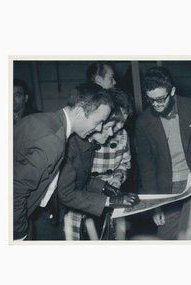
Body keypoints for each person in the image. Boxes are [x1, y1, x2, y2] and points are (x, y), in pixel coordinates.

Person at [13, 85, 114, 240]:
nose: (99, 128)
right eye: (98, 122)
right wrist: (20, 234)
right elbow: (15, 191)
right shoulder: (53, 142)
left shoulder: (40, 120)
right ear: (80, 112)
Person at [135, 66, 191, 240]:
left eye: (160, 99)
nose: (156, 105)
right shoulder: (143, 122)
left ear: (173, 91)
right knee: (167, 237)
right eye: (151, 100)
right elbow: (147, 169)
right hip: (169, 187)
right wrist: (154, 205)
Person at [58, 89, 139, 240]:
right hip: (82, 201)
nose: (113, 133)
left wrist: (117, 178)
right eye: (111, 127)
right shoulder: (80, 139)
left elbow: (125, 163)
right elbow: (72, 189)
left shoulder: (121, 135)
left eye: (120, 127)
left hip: (106, 198)